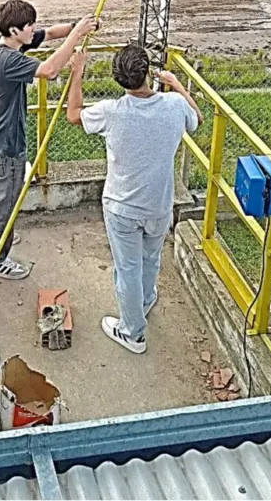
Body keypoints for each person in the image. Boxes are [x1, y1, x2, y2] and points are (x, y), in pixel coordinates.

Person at [67, 44, 203, 354]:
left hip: (122, 207)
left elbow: (73, 115)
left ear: (119, 79)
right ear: (148, 73)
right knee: (151, 257)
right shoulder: (174, 105)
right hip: (159, 203)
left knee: (127, 269)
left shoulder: (111, 111)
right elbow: (197, 118)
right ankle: (145, 300)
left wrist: (77, 71)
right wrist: (177, 84)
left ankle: (132, 332)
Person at [0, 0, 97, 279]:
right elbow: (49, 71)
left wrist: (78, 26)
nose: (34, 29)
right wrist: (77, 36)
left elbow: (52, 33)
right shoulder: (6, 59)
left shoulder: (8, 43)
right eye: (28, 26)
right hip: (6, 144)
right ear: (14, 31)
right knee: (6, 203)